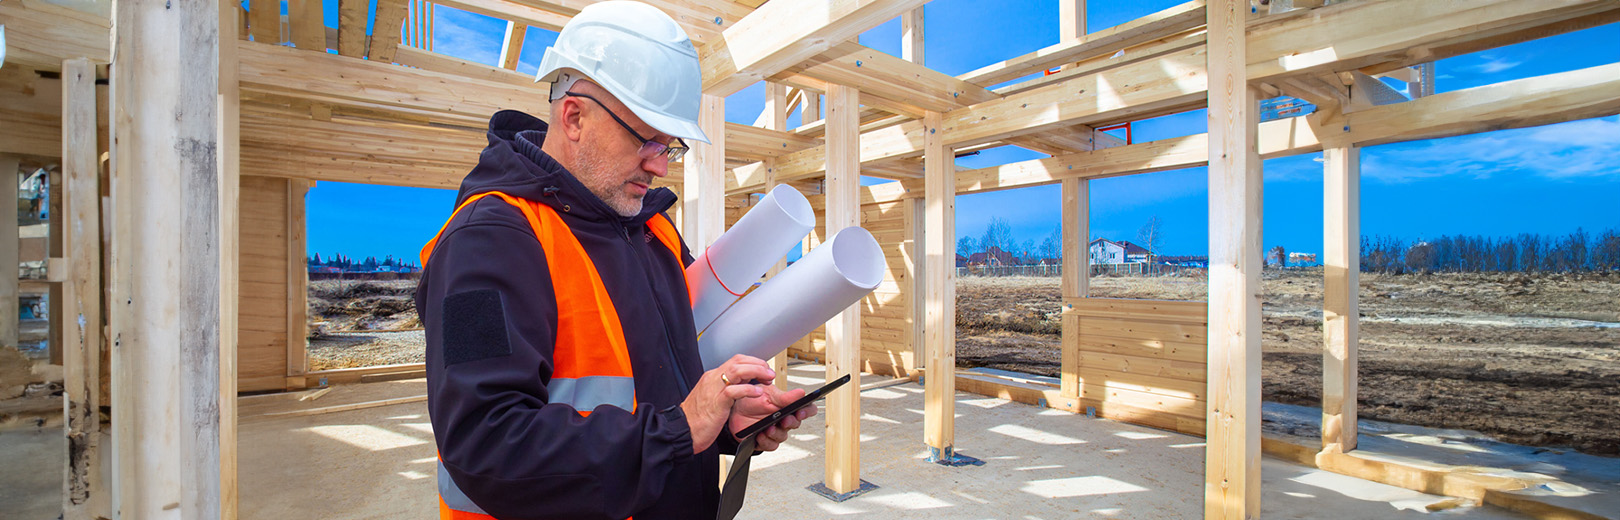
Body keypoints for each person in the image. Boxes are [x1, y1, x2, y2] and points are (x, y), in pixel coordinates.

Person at [415, 2, 816, 519]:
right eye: (646, 138)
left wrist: (724, 419)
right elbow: (484, 442)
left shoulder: (653, 232)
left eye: (670, 147)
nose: (659, 164)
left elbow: (666, 394)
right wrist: (680, 429)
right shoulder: (487, 241)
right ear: (574, 116)